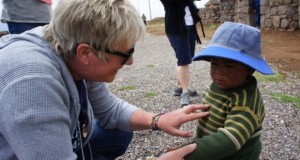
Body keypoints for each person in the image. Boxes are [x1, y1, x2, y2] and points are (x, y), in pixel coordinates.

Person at [0, 0, 210, 159]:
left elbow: (110, 111)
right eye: (126, 53)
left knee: (119, 132)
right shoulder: (30, 82)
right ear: (86, 53)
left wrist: (157, 120)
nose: (130, 62)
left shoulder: (71, 49)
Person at [184, 22, 274, 160]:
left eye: (229, 65)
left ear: (250, 69)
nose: (218, 72)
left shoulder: (245, 101)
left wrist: (189, 152)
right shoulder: (221, 84)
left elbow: (229, 140)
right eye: (214, 63)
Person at [160, 0, 202, 107]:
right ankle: (185, 91)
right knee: (183, 60)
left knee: (186, 58)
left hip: (190, 27)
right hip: (176, 28)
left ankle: (179, 86)